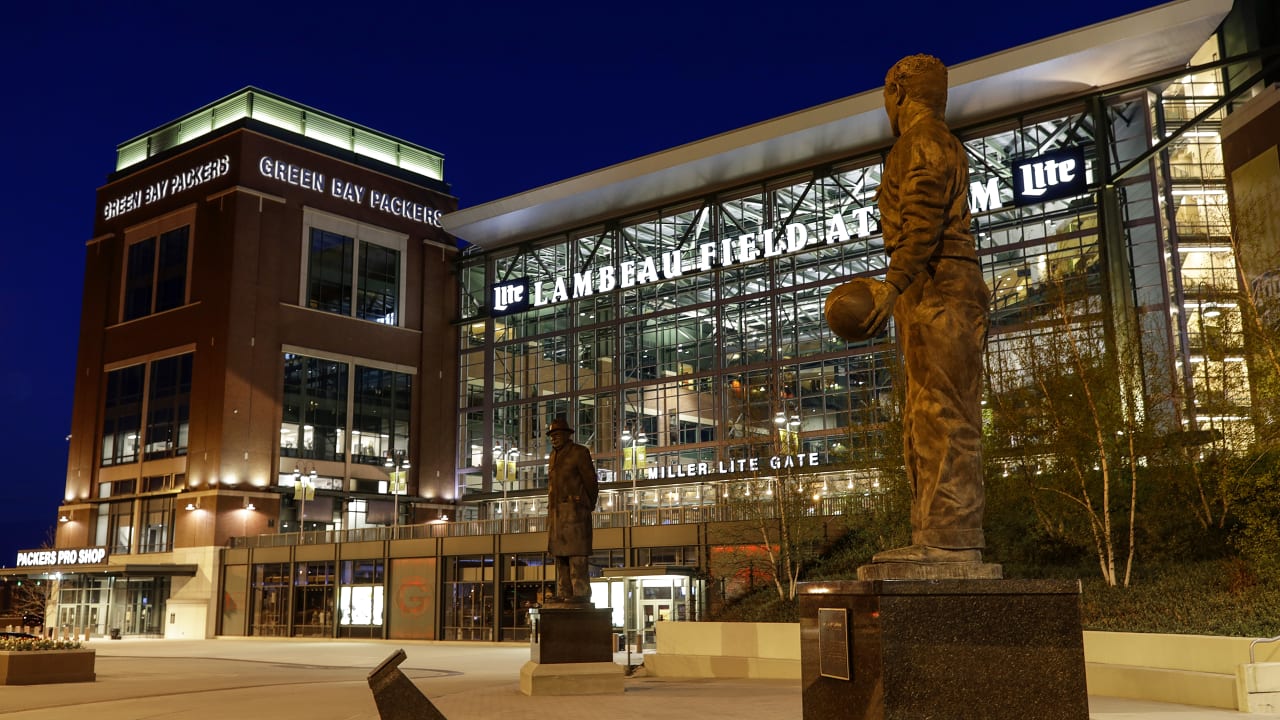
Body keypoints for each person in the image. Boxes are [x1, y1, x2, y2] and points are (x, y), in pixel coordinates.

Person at [859, 54, 990, 564]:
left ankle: (950, 543)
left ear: (897, 93)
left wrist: (890, 286)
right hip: (931, 297)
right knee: (925, 417)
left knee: (944, 414)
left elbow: (922, 224)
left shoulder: (922, 143)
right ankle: (933, 537)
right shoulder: (935, 141)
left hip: (942, 296)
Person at [545, 416, 600, 602]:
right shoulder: (553, 456)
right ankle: (564, 593)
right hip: (557, 517)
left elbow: (591, 482)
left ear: (567, 435)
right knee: (560, 558)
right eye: (551, 435)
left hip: (575, 515)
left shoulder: (579, 452)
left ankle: (581, 594)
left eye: (557, 434)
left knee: (577, 558)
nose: (554, 438)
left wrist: (586, 505)